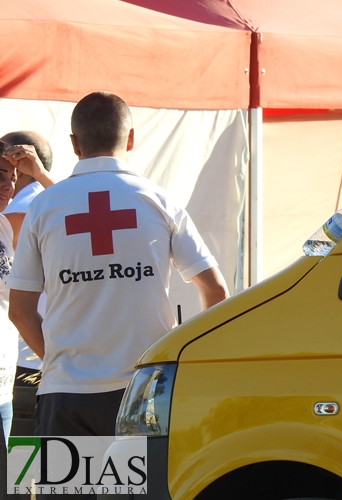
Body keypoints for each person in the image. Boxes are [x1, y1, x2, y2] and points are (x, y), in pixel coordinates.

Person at [7, 91, 230, 445]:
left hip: (64, 396)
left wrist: (60, 362)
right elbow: (216, 292)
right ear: (130, 138)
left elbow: (20, 311)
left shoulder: (43, 206)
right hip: (143, 394)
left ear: (74, 144)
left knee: (68, 493)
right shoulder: (159, 200)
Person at [2, 131, 52, 390]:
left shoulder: (11, 222)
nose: (8, 186)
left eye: (12, 177)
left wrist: (40, 175)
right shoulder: (21, 213)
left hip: (14, 368)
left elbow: (75, 209)